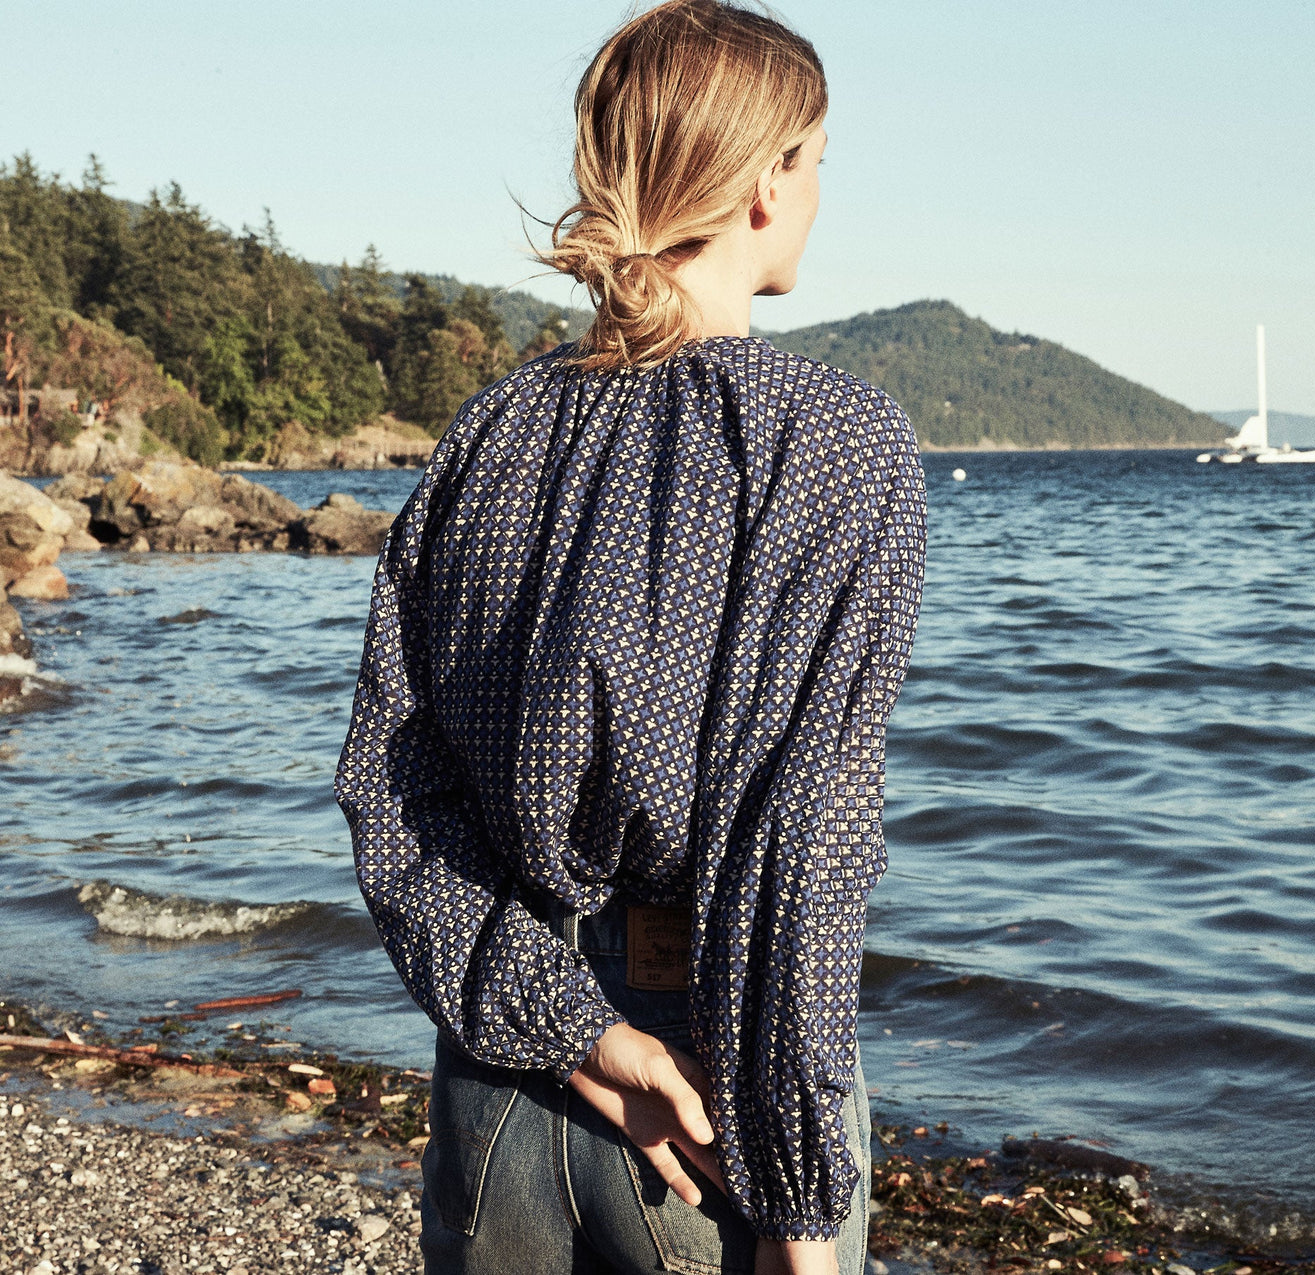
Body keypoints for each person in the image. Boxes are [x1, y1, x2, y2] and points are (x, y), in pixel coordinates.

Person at [333, 2, 927, 1272]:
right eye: (817, 161)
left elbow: (395, 792)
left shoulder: (487, 438)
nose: (820, 192)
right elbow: (792, 850)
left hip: (500, 1076)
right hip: (717, 1094)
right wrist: (800, 1210)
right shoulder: (833, 440)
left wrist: (572, 1032)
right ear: (767, 180)